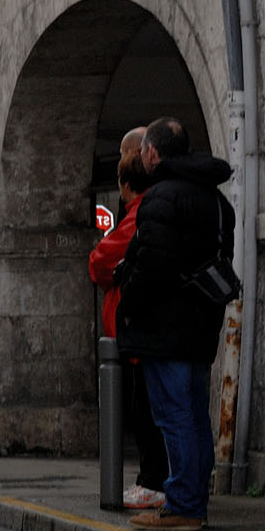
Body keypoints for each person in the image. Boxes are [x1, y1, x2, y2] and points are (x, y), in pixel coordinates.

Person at [117, 117, 236, 531]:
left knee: (173, 415)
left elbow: (151, 263)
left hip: (165, 328)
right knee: (194, 416)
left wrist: (129, 304)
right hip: (202, 324)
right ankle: (193, 498)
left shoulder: (161, 197)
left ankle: (183, 504)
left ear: (152, 153)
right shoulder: (217, 201)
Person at [88, 128, 167, 510]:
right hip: (137, 330)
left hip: (139, 329)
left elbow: (100, 261)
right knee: (151, 409)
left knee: (148, 412)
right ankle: (158, 480)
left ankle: (155, 481)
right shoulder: (146, 209)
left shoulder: (142, 212)